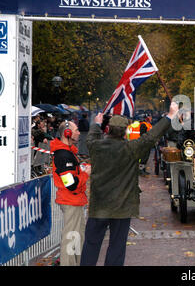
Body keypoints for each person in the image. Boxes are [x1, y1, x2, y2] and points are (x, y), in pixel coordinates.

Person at [80, 102, 178, 266]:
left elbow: (91, 136)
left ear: (108, 130)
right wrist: (170, 116)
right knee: (116, 248)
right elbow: (151, 136)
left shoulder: (96, 146)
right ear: (125, 131)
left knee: (91, 245)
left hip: (99, 206)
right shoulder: (131, 148)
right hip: (122, 207)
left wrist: (97, 123)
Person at [50, 120, 91, 266]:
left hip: (75, 201)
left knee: (76, 237)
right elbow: (71, 185)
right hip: (71, 200)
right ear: (67, 133)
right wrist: (86, 174)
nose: (79, 132)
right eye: (76, 130)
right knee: (71, 238)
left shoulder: (68, 153)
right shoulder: (63, 155)